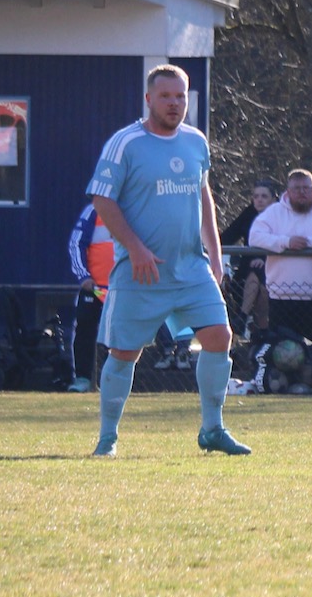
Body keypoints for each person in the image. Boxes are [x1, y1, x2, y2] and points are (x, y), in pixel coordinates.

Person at [85, 64, 249, 457]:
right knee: (124, 353)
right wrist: (136, 248)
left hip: (191, 268)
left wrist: (215, 252)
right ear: (148, 99)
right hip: (140, 271)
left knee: (219, 337)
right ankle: (107, 438)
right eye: (165, 96)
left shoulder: (195, 141)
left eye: (180, 96)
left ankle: (213, 429)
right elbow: (102, 199)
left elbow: (204, 195)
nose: (174, 103)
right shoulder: (125, 143)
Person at [249, 169, 312, 348]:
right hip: (280, 295)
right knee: (281, 350)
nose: (301, 192)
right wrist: (286, 242)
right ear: (288, 191)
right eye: (297, 188)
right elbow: (255, 236)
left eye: (306, 188)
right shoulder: (274, 212)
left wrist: (304, 243)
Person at [220, 179, 277, 339]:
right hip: (246, 271)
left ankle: (243, 317)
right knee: (255, 275)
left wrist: (264, 259)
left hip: (274, 268)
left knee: (260, 279)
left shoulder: (281, 215)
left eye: (264, 196)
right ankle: (259, 331)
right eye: (256, 196)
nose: (259, 200)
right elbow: (227, 237)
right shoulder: (249, 213)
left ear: (273, 199)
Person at [66, 202, 113, 392]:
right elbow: (76, 243)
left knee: (118, 335)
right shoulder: (94, 210)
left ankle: (113, 382)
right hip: (95, 288)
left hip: (121, 290)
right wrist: (83, 276)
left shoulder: (135, 206)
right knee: (85, 329)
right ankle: (82, 379)